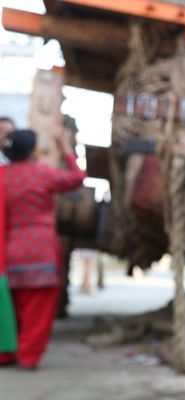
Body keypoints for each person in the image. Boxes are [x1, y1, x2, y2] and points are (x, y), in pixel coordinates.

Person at [0, 128, 85, 369]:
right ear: (33, 150)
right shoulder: (43, 174)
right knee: (38, 309)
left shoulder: (2, 176)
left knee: (8, 305)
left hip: (8, 251)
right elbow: (77, 178)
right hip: (40, 250)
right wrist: (66, 150)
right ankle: (27, 356)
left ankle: (5, 353)